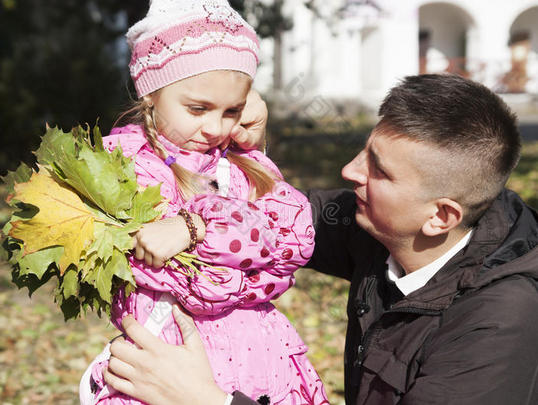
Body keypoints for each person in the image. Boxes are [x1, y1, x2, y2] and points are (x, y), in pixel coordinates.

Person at [102, 73, 538, 405]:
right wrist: (233, 121)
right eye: (364, 150)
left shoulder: (498, 326)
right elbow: (269, 222)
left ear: (441, 216)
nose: (350, 172)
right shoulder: (376, 225)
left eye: (378, 170)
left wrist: (207, 400)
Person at [79, 1, 329, 404]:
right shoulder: (119, 169)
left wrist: (193, 227)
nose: (214, 128)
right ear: (150, 94)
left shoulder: (244, 164)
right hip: (164, 371)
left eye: (232, 111)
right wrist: (253, 267)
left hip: (264, 365)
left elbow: (296, 237)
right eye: (197, 108)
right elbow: (177, 276)